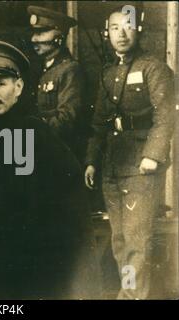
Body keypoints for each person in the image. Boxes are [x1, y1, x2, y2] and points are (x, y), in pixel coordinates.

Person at [0, 40, 98, 299]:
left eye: (0, 83)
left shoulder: (37, 134)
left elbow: (57, 208)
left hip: (32, 268)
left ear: (19, 87)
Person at [84, 6, 175, 299]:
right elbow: (99, 122)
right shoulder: (108, 73)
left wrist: (154, 154)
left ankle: (131, 297)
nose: (121, 34)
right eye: (114, 28)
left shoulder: (154, 68)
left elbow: (166, 115)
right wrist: (91, 161)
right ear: (106, 33)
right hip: (113, 165)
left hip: (141, 166)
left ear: (138, 30)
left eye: (128, 27)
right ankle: (131, 293)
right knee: (120, 240)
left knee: (137, 240)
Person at [27, 5, 88, 160]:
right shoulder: (44, 69)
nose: (34, 39)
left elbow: (66, 120)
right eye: (34, 32)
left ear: (59, 37)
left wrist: (31, 134)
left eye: (41, 33)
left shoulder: (70, 69)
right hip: (44, 150)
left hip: (61, 154)